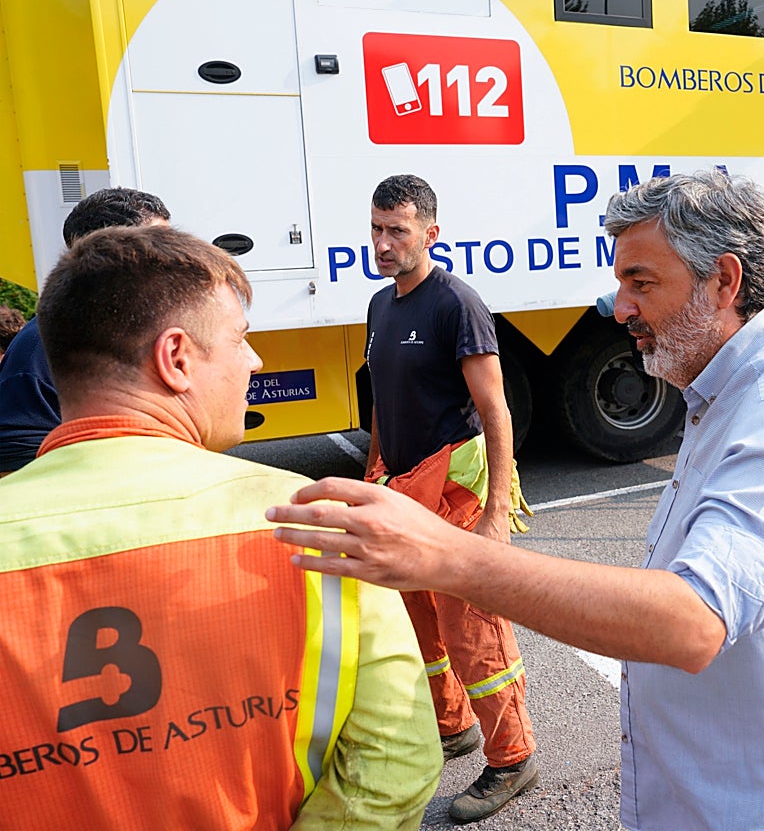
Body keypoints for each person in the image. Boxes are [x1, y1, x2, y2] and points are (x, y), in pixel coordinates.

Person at [268, 170, 764, 829]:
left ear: (724, 282)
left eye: (641, 283)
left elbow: (693, 620)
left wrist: (446, 556)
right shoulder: (721, 395)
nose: (618, 308)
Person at [0, 227, 441, 829]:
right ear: (176, 358)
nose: (255, 360)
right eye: (241, 338)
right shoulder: (317, 520)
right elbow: (396, 760)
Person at [362, 174, 537, 824]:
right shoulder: (382, 306)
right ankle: (453, 726)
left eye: (396, 230)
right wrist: (373, 469)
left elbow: (496, 411)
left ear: (430, 233)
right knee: (419, 619)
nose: (382, 242)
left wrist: (495, 513)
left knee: (474, 630)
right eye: (376, 228)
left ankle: (514, 757)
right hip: (404, 487)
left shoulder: (455, 302)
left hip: (458, 487)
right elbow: (381, 397)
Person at [0, 187, 171, 477]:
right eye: (159, 244)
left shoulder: (129, 323)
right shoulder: (43, 343)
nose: (174, 257)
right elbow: (13, 460)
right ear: (108, 254)